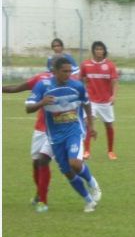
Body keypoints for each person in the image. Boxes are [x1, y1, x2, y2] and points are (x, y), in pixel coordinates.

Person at [26, 56, 102, 213]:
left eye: (70, 71)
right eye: (64, 71)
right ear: (55, 72)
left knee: (74, 163)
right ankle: (88, 201)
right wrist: (42, 102)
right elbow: (29, 107)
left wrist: (91, 125)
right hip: (54, 136)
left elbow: (86, 103)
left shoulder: (77, 86)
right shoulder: (43, 86)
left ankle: (92, 182)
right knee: (67, 172)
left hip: (74, 131)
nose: (68, 74)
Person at [3, 71, 55, 212]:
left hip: (57, 129)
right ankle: (40, 191)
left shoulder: (69, 79)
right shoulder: (41, 79)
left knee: (44, 160)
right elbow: (18, 87)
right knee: (36, 162)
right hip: (40, 128)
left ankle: (43, 199)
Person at [80, 41, 119, 160]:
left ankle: (111, 151)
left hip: (105, 101)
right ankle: (86, 151)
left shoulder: (110, 65)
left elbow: (114, 82)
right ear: (93, 51)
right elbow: (80, 79)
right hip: (91, 101)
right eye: (97, 49)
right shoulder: (86, 64)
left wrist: (114, 96)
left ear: (104, 51)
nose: (99, 51)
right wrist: (82, 92)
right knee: (88, 124)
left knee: (108, 125)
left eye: (101, 49)